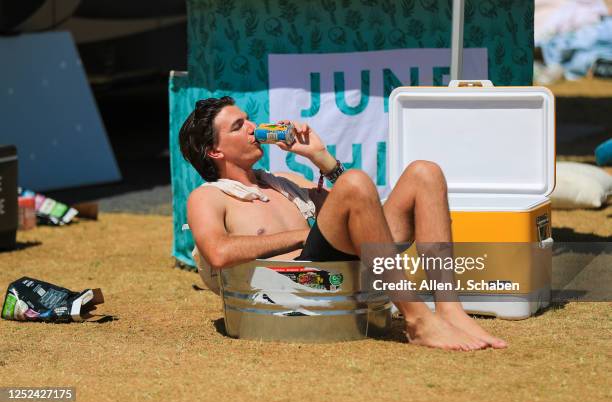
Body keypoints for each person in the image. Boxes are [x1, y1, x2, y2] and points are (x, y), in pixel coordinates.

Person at [179, 96, 507, 351]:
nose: (253, 127)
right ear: (215, 152)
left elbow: (363, 213)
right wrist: (298, 235)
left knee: (425, 172)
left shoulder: (285, 180)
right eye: (238, 126)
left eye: (249, 119)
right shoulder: (210, 197)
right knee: (353, 183)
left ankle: (451, 311)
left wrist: (320, 158)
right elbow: (218, 253)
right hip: (302, 285)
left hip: (344, 264)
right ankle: (418, 320)